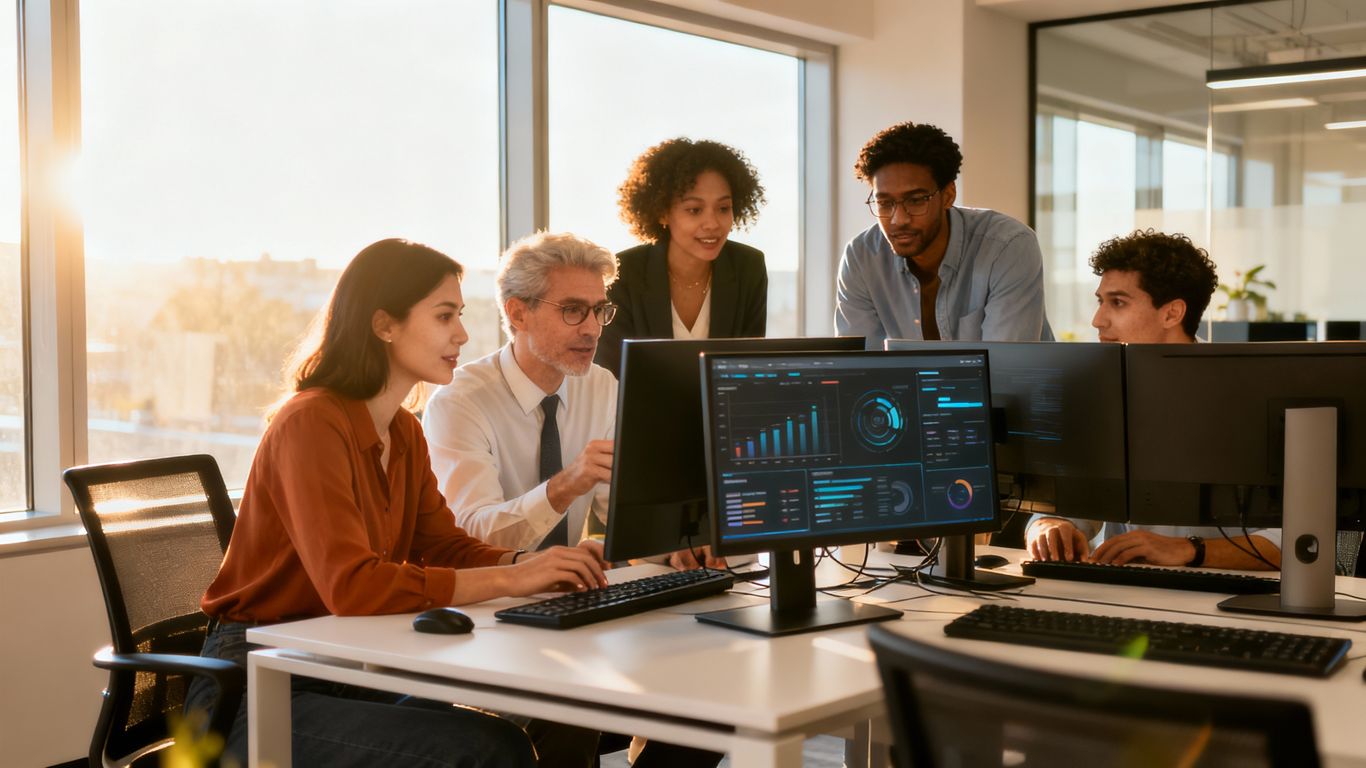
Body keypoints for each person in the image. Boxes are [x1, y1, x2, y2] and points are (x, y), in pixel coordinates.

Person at [186, 239, 610, 767]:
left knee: (555, 706)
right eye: (444, 316)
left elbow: (442, 546)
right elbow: (352, 585)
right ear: (384, 324)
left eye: (459, 314)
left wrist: (532, 564)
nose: (462, 333)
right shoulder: (311, 423)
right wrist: (512, 579)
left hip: (347, 666)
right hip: (258, 686)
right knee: (487, 749)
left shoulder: (404, 431)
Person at [424, 232, 724, 767]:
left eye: (598, 311)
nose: (590, 328)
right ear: (517, 313)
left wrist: (670, 547)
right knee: (570, 708)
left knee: (712, 694)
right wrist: (565, 485)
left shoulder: (601, 386)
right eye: (572, 311)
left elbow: (619, 513)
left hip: (570, 606)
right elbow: (468, 534)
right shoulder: (459, 402)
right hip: (493, 616)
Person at [1025, 229, 1282, 570]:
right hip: (1124, 591)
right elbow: (1069, 510)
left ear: (1172, 313)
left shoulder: (1253, 398)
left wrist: (1189, 550)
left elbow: (1300, 545)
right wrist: (1049, 527)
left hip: (1225, 598)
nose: (1097, 320)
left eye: (1117, 302)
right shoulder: (1097, 394)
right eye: (1100, 301)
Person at [834, 121, 1052, 349]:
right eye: (884, 203)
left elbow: (1004, 367)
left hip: (1015, 385)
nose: (899, 219)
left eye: (916, 200)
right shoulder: (862, 257)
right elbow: (860, 365)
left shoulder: (1007, 246)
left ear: (948, 195)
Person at [595, 137, 768, 377]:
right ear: (663, 212)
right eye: (694, 210)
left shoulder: (748, 267)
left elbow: (749, 370)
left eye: (723, 208)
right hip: (642, 414)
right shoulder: (625, 272)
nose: (712, 223)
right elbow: (610, 376)